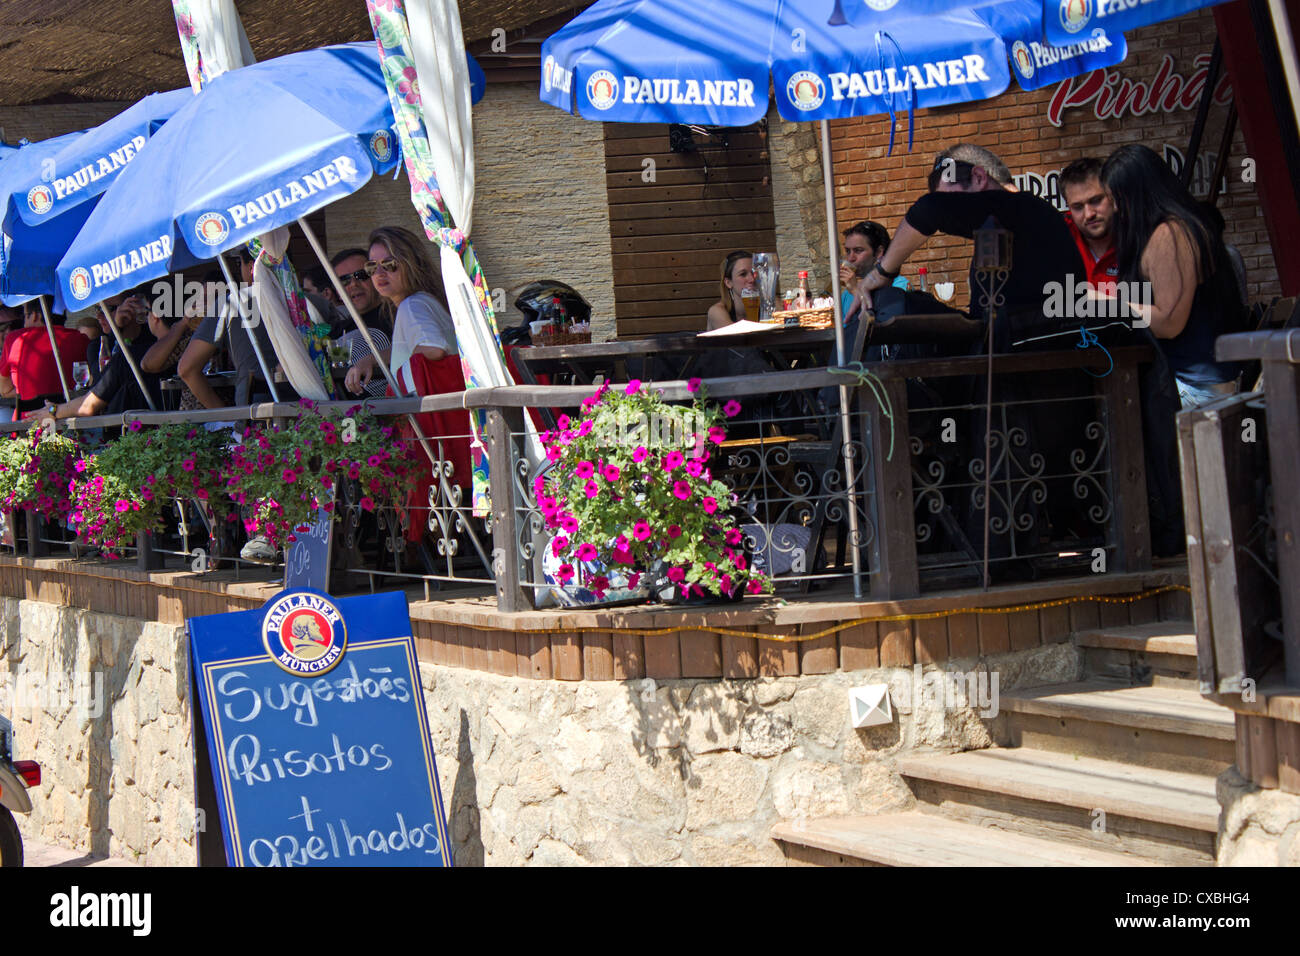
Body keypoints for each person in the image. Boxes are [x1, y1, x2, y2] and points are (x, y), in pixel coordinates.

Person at [857, 143, 1085, 347]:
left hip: (1035, 350)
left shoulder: (1022, 206)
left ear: (978, 177)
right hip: (1014, 345)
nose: (952, 214)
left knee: (898, 305)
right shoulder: (1002, 225)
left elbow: (929, 209)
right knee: (904, 307)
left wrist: (882, 273)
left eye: (951, 199)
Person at [344, 226, 469, 544]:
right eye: (373, 267)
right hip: (447, 435)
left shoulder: (413, 306)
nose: (379, 274)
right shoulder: (419, 303)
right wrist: (374, 359)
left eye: (390, 264)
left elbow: (433, 350)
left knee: (347, 449)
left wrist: (396, 374)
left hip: (430, 437)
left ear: (410, 263)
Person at [1100, 144, 1248, 408]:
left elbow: (1170, 321)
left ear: (1137, 193)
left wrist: (1106, 304)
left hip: (1194, 387)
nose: (1117, 210)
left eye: (1117, 199)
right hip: (1201, 383)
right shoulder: (1180, 226)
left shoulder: (1170, 234)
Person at [178, 256, 284, 409]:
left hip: (255, 412)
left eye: (239, 263)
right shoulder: (311, 302)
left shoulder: (231, 304)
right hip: (316, 410)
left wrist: (225, 416)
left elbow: (186, 368)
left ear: (251, 267)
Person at [40, 292, 159, 419]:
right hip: (112, 424)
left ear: (133, 308)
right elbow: (101, 382)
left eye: (107, 309)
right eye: (98, 309)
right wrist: (116, 330)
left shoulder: (151, 343)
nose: (99, 315)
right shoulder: (98, 345)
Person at [0, 308, 88, 417]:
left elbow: (5, 391)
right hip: (75, 420)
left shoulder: (17, 339)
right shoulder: (82, 339)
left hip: (31, 424)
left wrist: (30, 390)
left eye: (25, 316)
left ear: (35, 315)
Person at [1060, 157, 1119, 294]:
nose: (1089, 214)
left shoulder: (1137, 235)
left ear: (1112, 196)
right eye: (1078, 207)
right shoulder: (1059, 240)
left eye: (1096, 201)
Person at [838, 221, 908, 318]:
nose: (850, 258)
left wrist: (855, 291)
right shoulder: (846, 295)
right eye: (848, 251)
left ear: (879, 252)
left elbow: (884, 322)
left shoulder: (899, 285)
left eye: (858, 250)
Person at [331, 247, 393, 338]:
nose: (353, 284)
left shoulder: (399, 318)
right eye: (344, 280)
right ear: (337, 291)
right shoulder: (335, 334)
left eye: (361, 275)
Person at [706, 251, 756, 330]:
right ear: (728, 283)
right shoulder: (717, 312)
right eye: (743, 274)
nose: (752, 279)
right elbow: (737, 339)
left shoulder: (769, 305)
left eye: (754, 273)